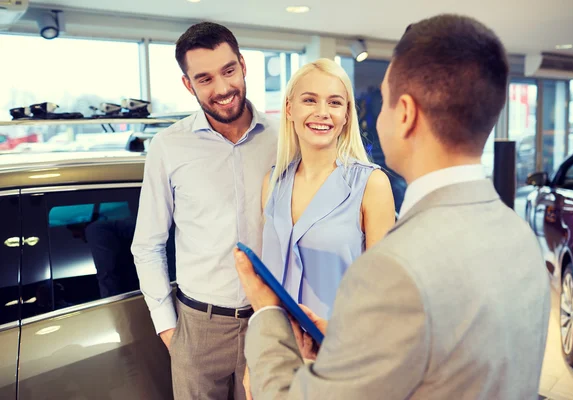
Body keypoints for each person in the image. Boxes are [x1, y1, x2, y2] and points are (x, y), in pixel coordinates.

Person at [233, 14, 551, 400]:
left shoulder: (394, 263)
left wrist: (265, 320)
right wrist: (349, 343)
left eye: (381, 101)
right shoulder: (520, 235)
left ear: (405, 113)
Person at [131, 21, 278, 400]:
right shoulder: (168, 146)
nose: (222, 88)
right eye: (205, 78)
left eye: (229, 71)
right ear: (188, 84)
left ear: (243, 65)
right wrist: (168, 329)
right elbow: (147, 244)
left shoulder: (284, 138)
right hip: (198, 326)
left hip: (270, 319)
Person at [261, 58, 395, 321]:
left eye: (334, 102)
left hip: (341, 350)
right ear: (289, 109)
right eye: (310, 100)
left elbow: (382, 292)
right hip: (277, 348)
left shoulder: (371, 185)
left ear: (346, 115)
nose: (322, 112)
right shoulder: (272, 183)